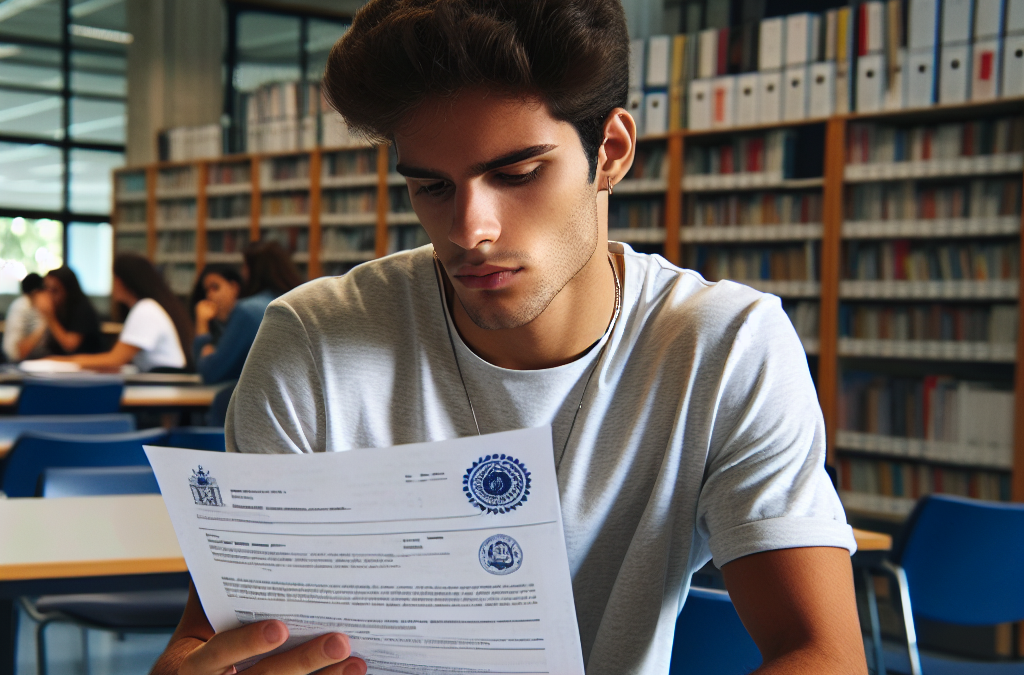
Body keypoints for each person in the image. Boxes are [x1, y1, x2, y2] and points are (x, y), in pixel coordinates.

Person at [153, 2, 866, 675]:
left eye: (517, 173)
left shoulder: (726, 345)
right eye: (432, 187)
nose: (470, 231)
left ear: (610, 152)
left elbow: (824, 651)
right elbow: (208, 636)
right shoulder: (313, 343)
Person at [51, 253, 193, 372]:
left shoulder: (146, 310)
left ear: (120, 281)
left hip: (163, 388)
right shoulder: (145, 307)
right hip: (158, 383)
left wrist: (62, 362)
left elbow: (114, 360)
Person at [193, 242, 300, 384]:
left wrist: (202, 331)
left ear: (253, 270)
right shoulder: (297, 305)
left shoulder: (247, 311)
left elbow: (211, 373)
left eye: (244, 267)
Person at [33, 266, 104, 357]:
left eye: (54, 290)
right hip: (61, 364)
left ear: (68, 290)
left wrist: (49, 316)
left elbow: (70, 345)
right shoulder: (57, 309)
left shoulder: (83, 309)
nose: (49, 295)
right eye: (46, 289)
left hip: (87, 365)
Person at [189, 264, 243, 353]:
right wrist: (202, 323)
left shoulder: (245, 319)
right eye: (206, 290)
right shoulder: (213, 326)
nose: (209, 295)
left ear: (234, 287)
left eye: (215, 287)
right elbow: (201, 363)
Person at [3, 273, 47, 362]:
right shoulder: (25, 306)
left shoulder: (23, 303)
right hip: (15, 361)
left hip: (18, 359)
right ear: (36, 292)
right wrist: (48, 320)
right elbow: (18, 352)